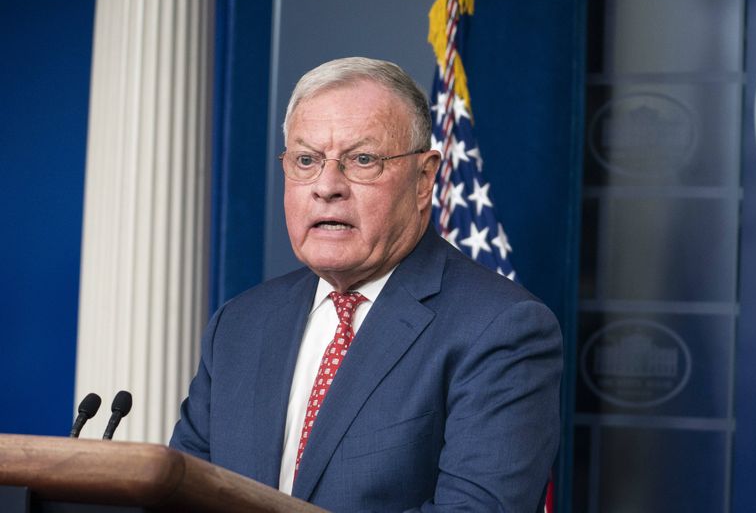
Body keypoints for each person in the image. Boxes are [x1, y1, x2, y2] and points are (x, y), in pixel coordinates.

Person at [169, 57, 562, 512]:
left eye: (362, 160)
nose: (327, 186)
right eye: (306, 160)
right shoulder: (239, 324)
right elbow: (182, 492)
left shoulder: (501, 328)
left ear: (423, 179)